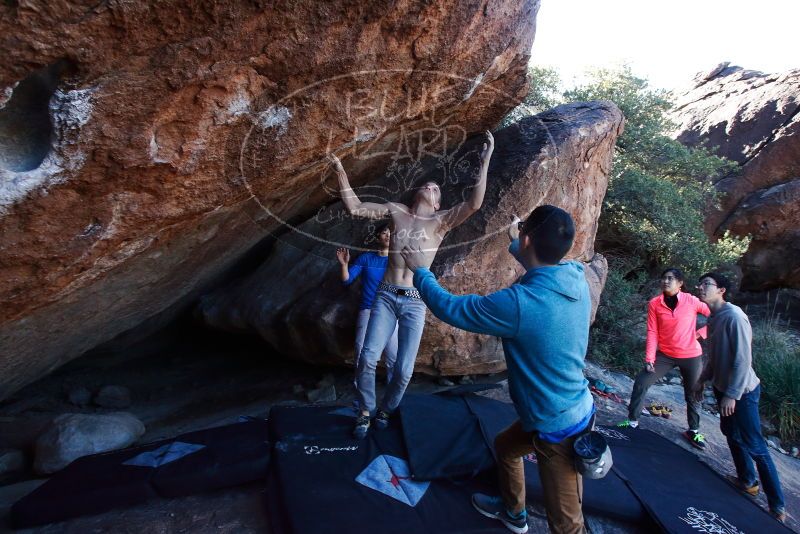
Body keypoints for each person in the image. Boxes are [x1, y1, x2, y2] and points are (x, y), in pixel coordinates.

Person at [401, 205, 594, 534]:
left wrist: (421, 271)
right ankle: (513, 513)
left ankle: (528, 516)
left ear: (529, 238)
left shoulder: (520, 304)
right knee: (506, 447)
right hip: (561, 406)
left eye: (523, 238)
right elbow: (541, 267)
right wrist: (516, 242)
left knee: (567, 525)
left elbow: (452, 308)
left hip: (559, 427)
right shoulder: (576, 276)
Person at [330, 130, 494, 439]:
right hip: (386, 296)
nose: (431, 186)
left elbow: (474, 203)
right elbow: (356, 208)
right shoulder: (397, 211)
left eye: (436, 188)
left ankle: (386, 409)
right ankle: (365, 409)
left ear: (438, 203)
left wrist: (485, 160)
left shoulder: (441, 222)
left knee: (404, 371)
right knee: (366, 357)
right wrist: (340, 170)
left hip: (416, 301)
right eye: (428, 184)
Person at [693, 272, 786, 523]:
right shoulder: (713, 318)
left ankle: (777, 506)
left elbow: (742, 361)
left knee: (755, 445)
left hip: (743, 391)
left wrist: (732, 395)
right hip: (725, 388)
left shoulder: (735, 317)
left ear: (721, 290)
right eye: (700, 284)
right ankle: (747, 481)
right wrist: (702, 380)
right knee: (731, 434)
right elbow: (715, 356)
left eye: (707, 284)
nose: (701, 287)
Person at [617, 268, 711, 450]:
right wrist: (650, 358)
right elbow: (652, 331)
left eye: (671, 278)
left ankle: (694, 430)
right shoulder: (655, 303)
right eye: (664, 278)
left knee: (693, 392)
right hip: (665, 355)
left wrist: (700, 333)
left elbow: (715, 316)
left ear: (680, 283)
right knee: (641, 381)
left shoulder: (691, 301)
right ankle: (632, 422)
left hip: (691, 355)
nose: (666, 281)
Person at [336, 223, 399, 385]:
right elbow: (347, 280)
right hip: (368, 309)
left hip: (390, 311)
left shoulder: (398, 260)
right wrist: (344, 265)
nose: (388, 236)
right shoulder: (366, 258)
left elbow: (405, 286)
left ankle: (394, 393)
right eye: (384, 232)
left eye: (391, 233)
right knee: (361, 351)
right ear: (378, 236)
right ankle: (361, 387)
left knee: (393, 355)